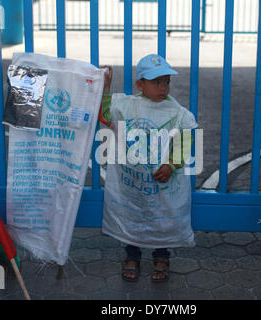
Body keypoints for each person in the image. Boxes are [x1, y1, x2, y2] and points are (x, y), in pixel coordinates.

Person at [98, 54, 198, 282]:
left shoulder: (176, 112)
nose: (163, 87)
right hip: (132, 184)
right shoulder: (126, 107)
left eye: (166, 82)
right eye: (157, 82)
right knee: (134, 215)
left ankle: (161, 256)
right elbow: (105, 117)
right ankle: (131, 255)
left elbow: (184, 141)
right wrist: (105, 88)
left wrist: (172, 165)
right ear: (140, 84)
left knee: (161, 219)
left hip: (161, 183)